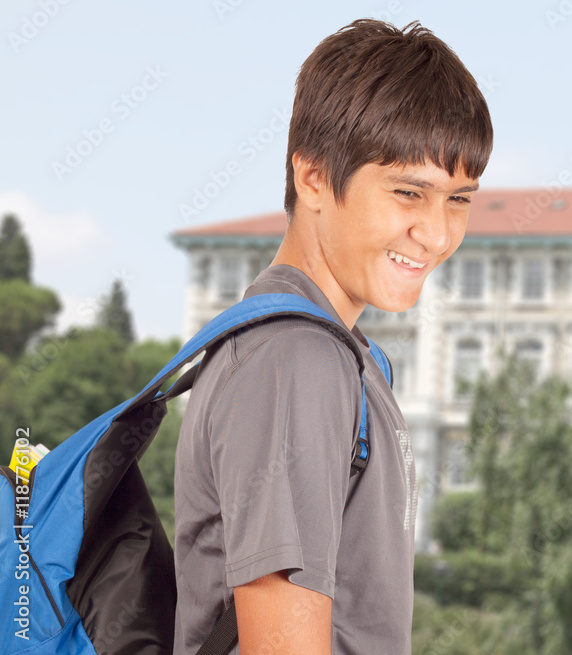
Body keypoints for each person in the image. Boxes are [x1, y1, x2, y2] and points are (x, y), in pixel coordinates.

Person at [172, 19, 492, 654]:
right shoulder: (293, 359)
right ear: (313, 177)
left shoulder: (344, 357)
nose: (435, 235)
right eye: (409, 193)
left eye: (458, 200)